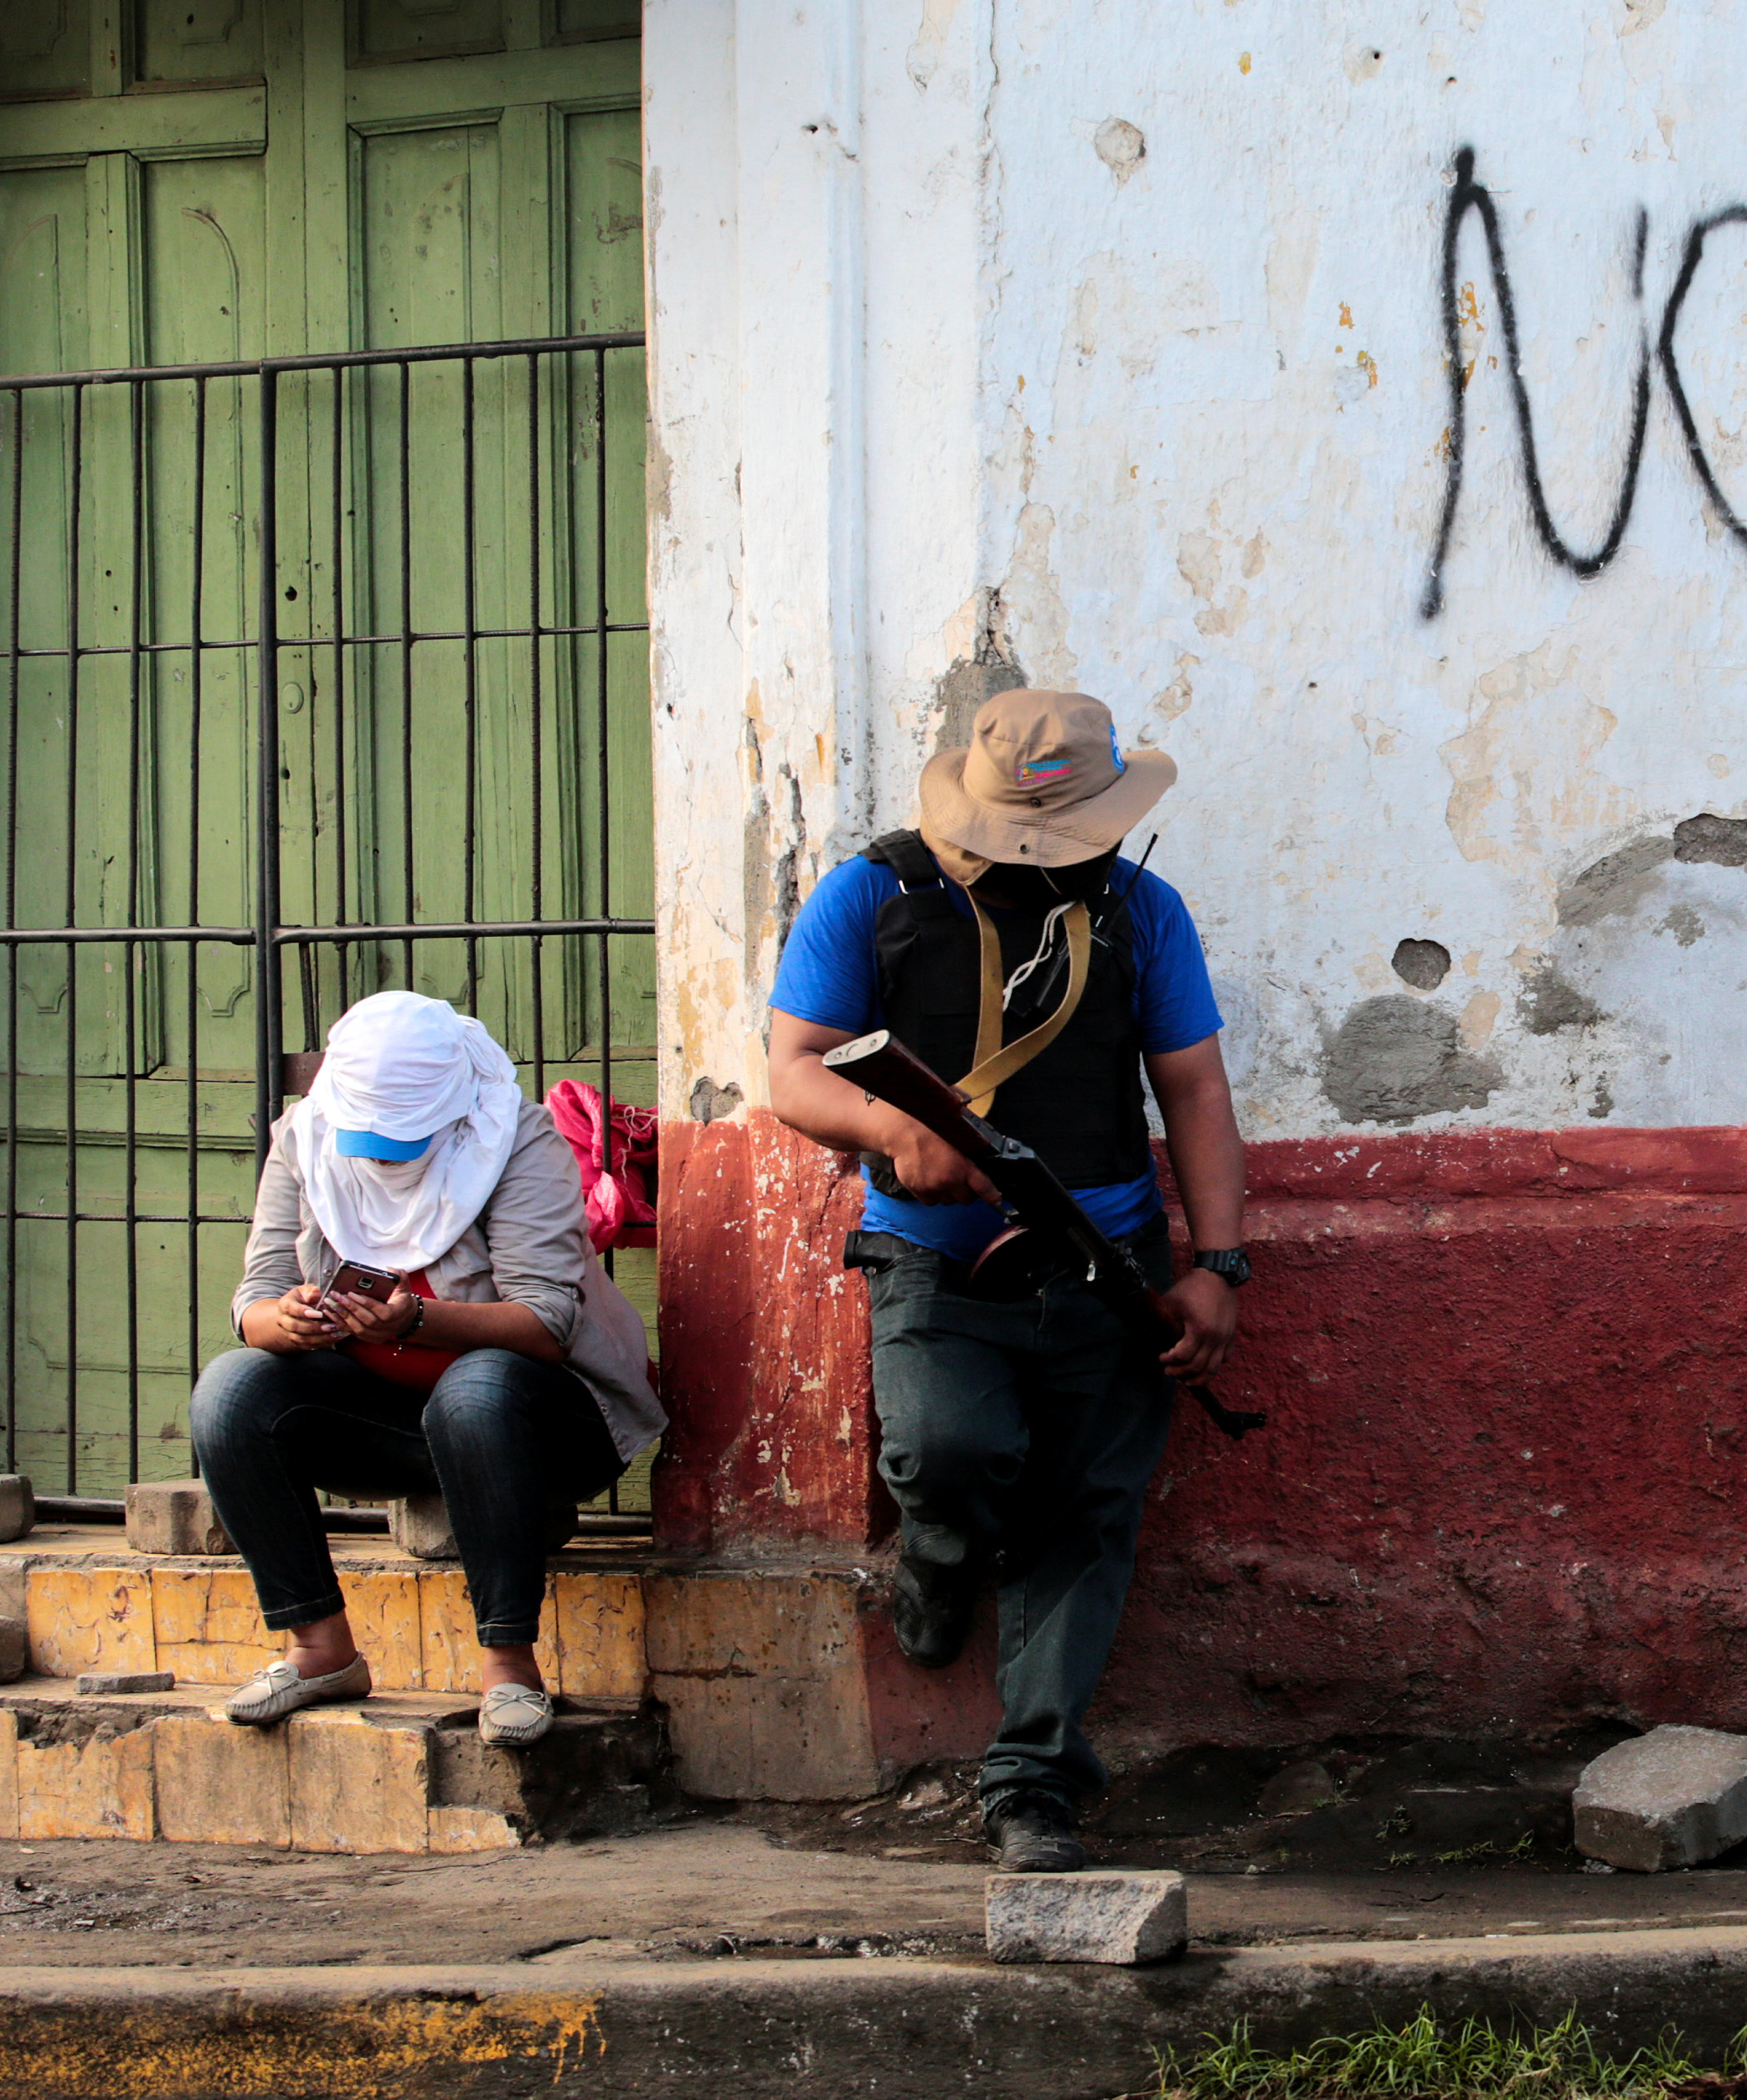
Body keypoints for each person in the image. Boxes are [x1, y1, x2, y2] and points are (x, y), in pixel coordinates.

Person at [763, 687, 1248, 1874]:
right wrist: (889, 1129)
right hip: (933, 1258)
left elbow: (1192, 1089)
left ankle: (1033, 1782)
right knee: (945, 1450)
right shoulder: (870, 895)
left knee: (1088, 1516)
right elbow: (792, 1071)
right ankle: (936, 1553)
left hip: (1106, 1259)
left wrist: (1218, 1267)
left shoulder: (1144, 912)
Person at [193, 991, 663, 1747]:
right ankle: (320, 1648)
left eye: (400, 1136)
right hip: (387, 1418)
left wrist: (417, 1319)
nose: (379, 1152)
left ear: (447, 1107)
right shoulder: (305, 1138)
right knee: (230, 1391)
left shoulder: (514, 1139)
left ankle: (507, 1666)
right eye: (367, 1134)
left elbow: (544, 1324)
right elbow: (255, 1296)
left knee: (474, 1388)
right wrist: (282, 1323)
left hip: (541, 1422)